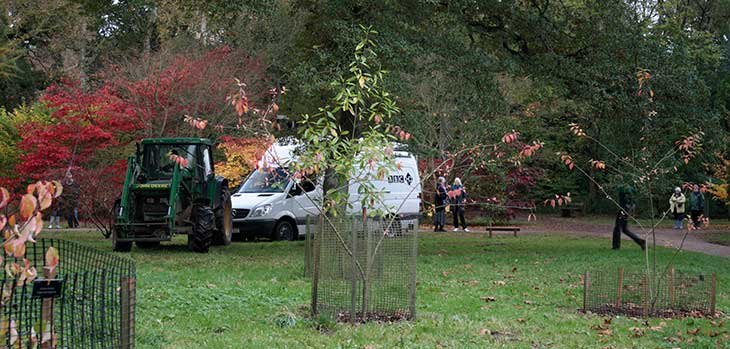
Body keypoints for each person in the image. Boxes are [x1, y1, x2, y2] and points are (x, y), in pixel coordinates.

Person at [612, 184, 645, 250]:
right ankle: (640, 242)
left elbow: (621, 191)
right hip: (627, 209)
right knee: (624, 229)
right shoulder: (630, 188)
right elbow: (634, 193)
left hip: (623, 209)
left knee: (617, 228)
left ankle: (616, 246)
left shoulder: (624, 188)